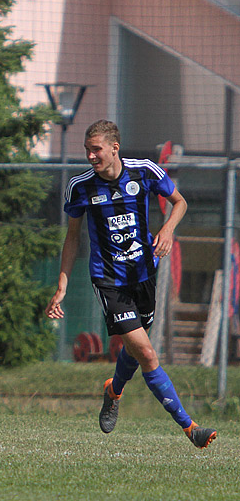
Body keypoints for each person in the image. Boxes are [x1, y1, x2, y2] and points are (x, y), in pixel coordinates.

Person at [45, 119, 216, 449]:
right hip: (110, 282)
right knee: (148, 354)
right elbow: (73, 238)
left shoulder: (144, 171)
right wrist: (62, 285)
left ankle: (113, 390)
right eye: (87, 151)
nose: (91, 157)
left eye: (96, 150)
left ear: (114, 148)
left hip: (144, 276)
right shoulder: (80, 187)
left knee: (135, 351)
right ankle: (190, 427)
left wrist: (166, 231)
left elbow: (180, 202)